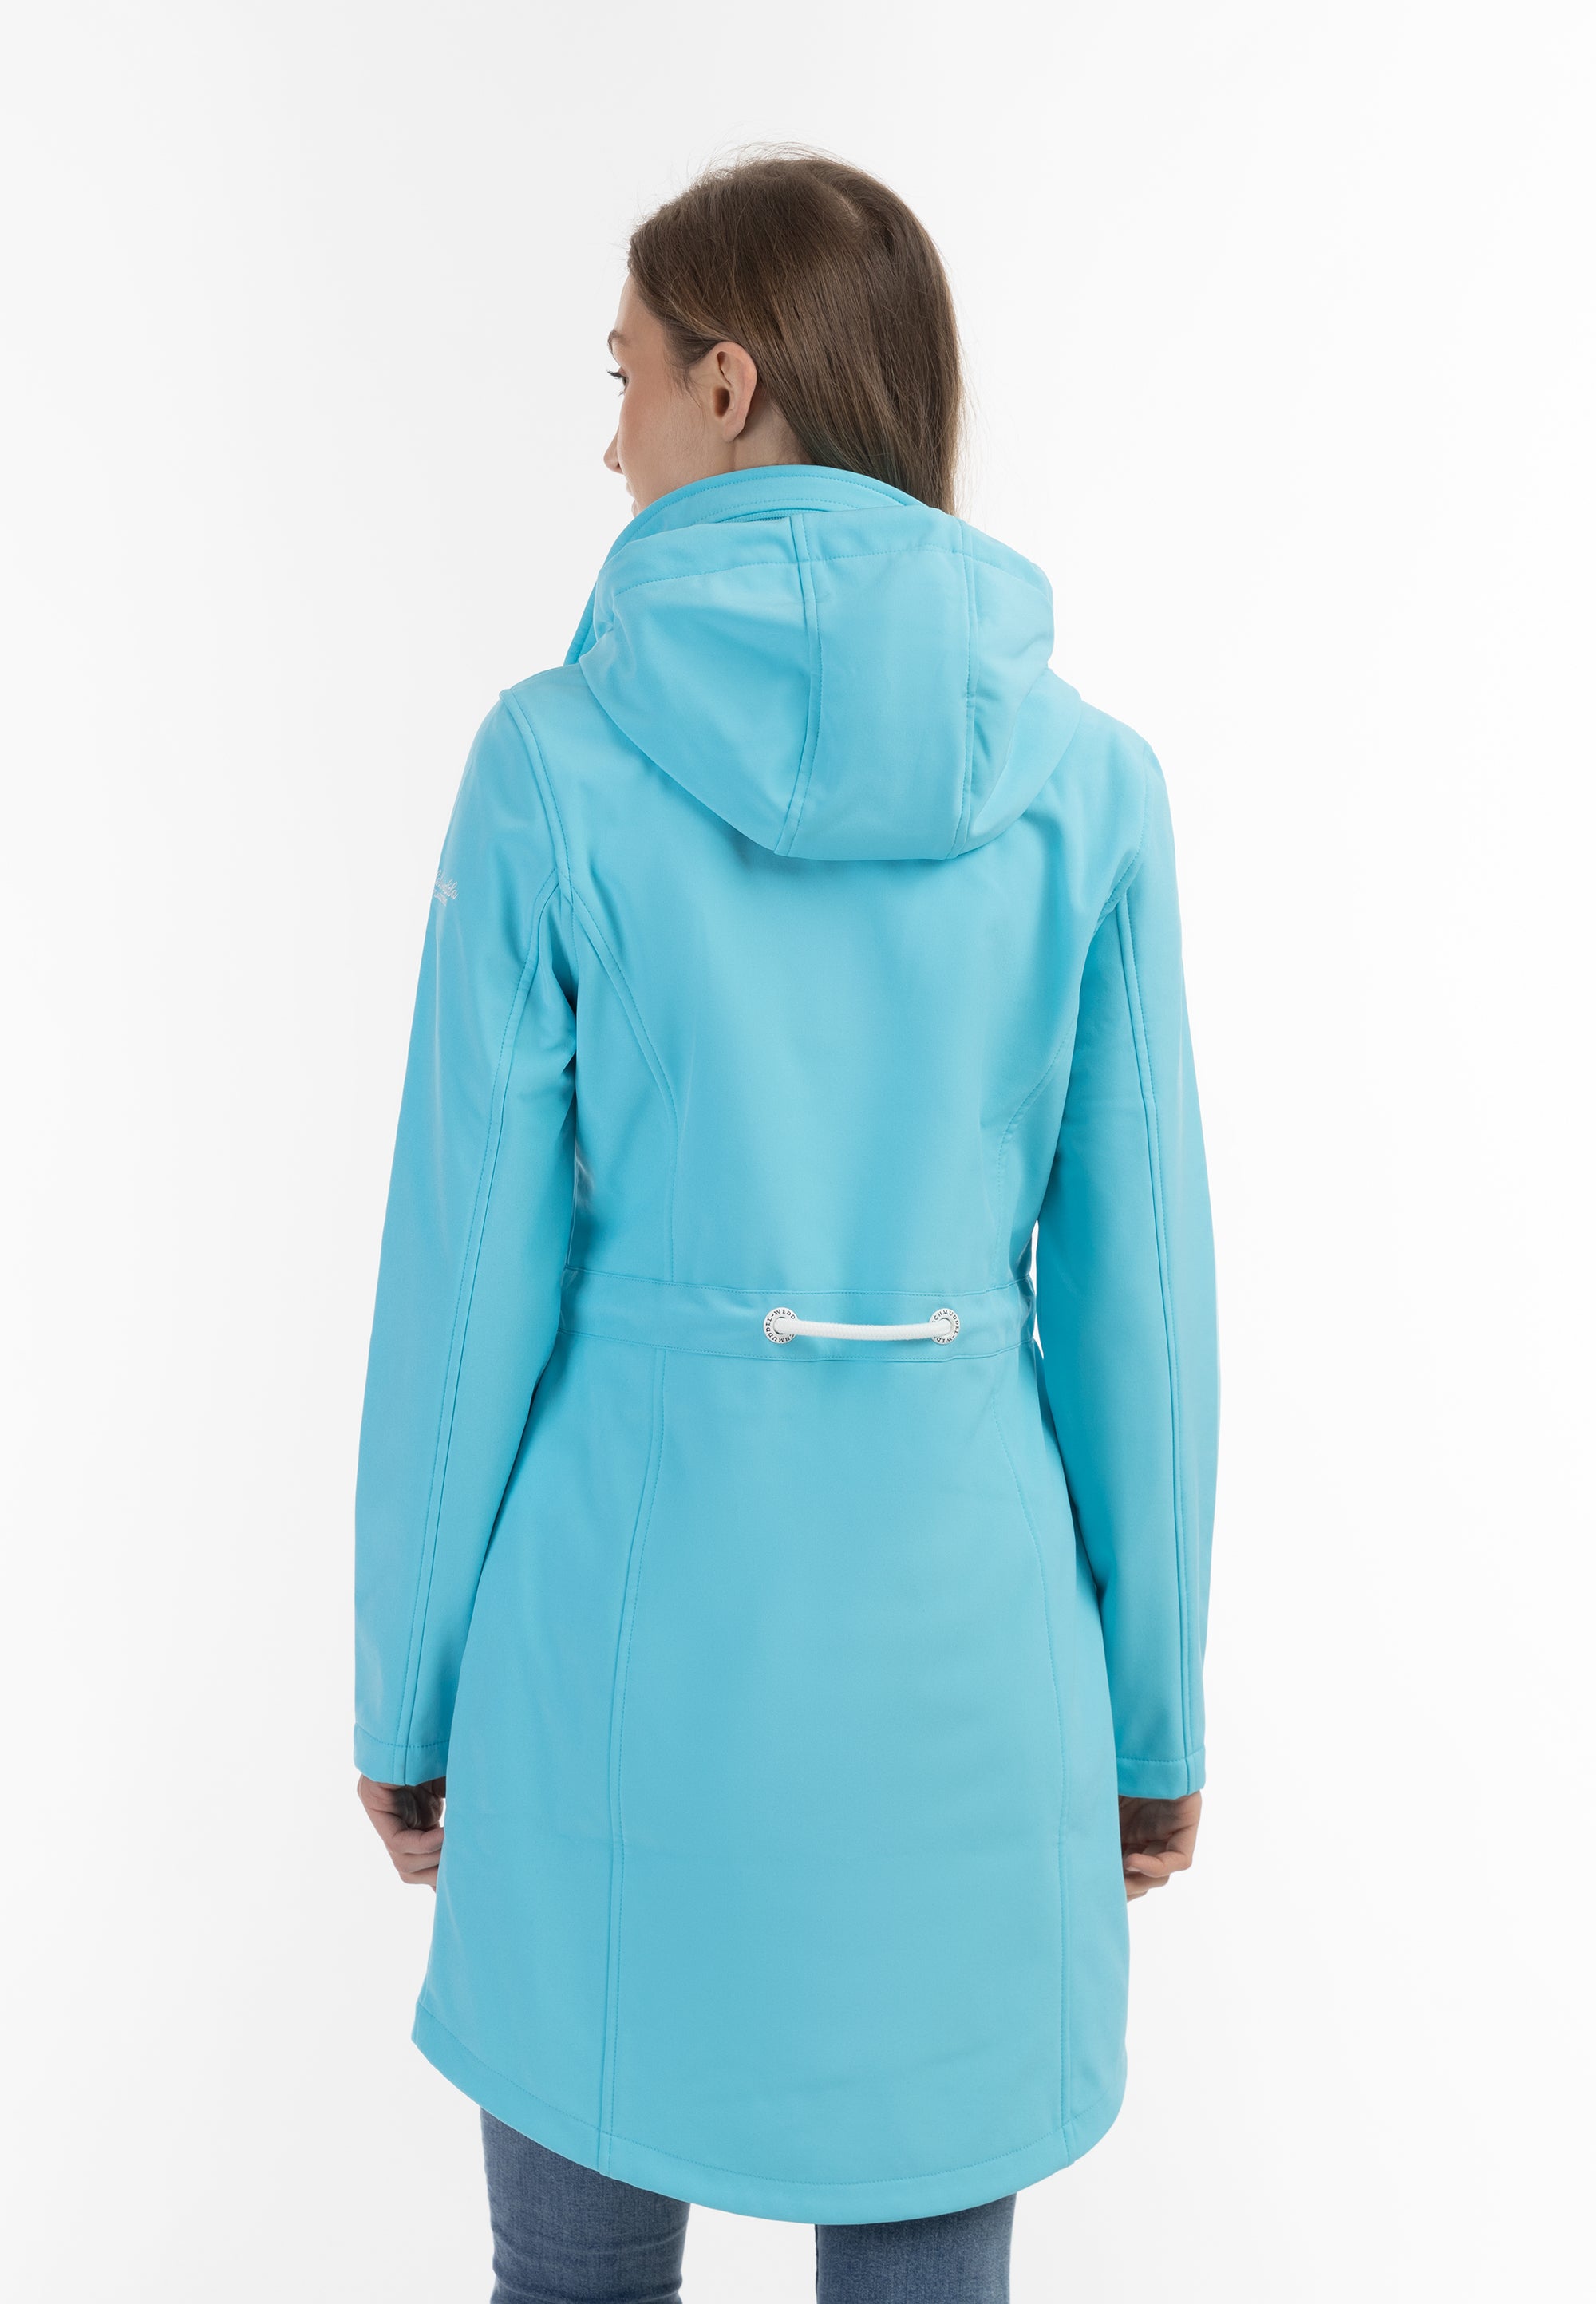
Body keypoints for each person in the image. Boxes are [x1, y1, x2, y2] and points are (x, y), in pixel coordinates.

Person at [354, 151, 1216, 2304]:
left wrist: (412, 1695)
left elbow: (461, 1294)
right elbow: (1144, 1315)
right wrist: (1152, 1721)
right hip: (970, 1679)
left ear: (729, 385)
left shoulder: (550, 763)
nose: (611, 437)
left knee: (575, 2283)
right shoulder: (1091, 786)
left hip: (614, 1657)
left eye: (626, 375)